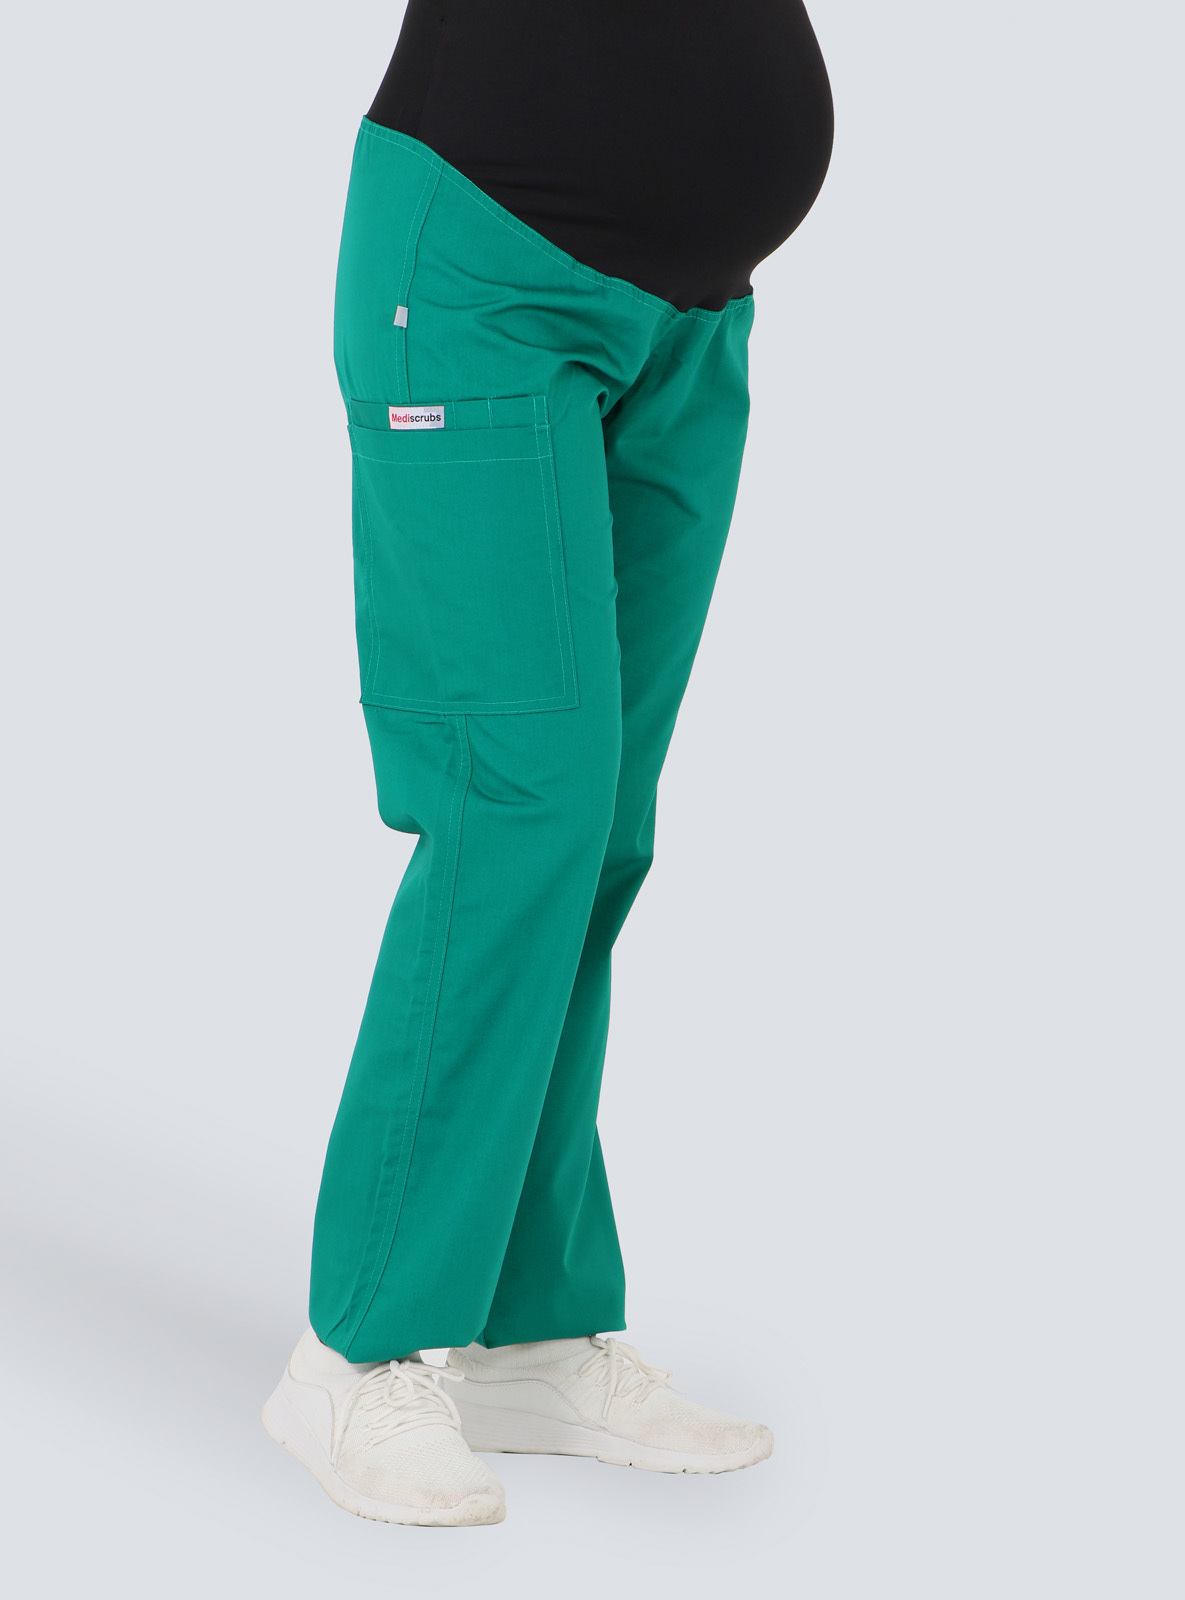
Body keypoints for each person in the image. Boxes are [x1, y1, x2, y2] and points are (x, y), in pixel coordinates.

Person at [262, 0, 834, 1526]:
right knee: (516, 808)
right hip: (484, 275)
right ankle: (358, 1350)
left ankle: (530, 1325)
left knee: (599, 826)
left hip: (691, 315)